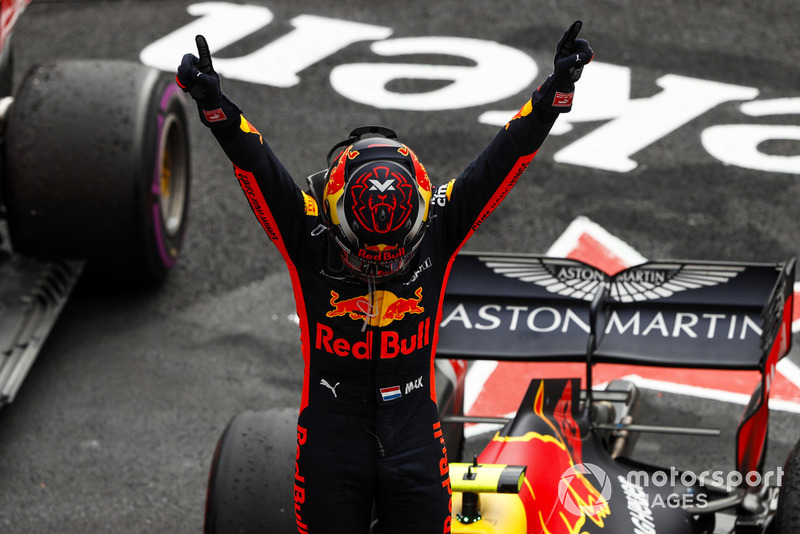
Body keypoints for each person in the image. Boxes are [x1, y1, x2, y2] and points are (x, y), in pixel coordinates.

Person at [177, 20, 592, 534]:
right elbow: (257, 165)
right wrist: (216, 110)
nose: (378, 264)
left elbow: (501, 160)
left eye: (393, 253)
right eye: (363, 252)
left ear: (420, 213)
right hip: (332, 436)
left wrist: (555, 93)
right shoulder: (305, 230)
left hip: (415, 431)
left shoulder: (441, 222)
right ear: (333, 215)